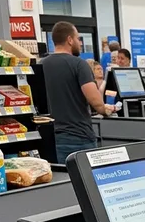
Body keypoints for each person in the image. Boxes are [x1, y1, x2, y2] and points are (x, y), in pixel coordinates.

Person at [43, 21, 113, 163]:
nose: (80, 43)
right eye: (77, 38)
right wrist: (106, 109)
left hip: (50, 138)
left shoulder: (41, 64)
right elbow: (96, 102)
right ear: (70, 40)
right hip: (78, 137)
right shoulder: (79, 64)